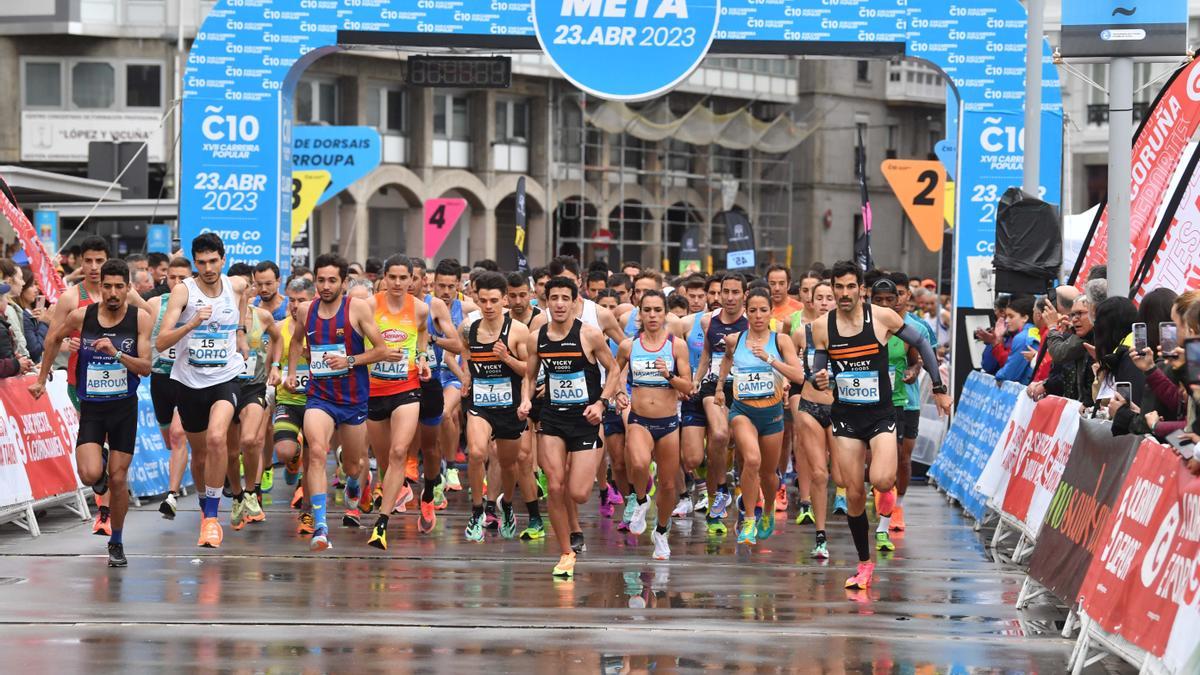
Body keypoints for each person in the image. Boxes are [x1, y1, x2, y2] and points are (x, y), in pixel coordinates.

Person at [810, 261, 950, 591]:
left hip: (881, 414)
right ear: (833, 289)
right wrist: (817, 376)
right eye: (838, 288)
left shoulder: (882, 317)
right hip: (846, 415)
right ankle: (864, 563)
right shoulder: (821, 326)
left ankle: (885, 495)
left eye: (850, 287)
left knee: (882, 478)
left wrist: (940, 389)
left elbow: (924, 345)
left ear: (861, 289)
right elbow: (817, 366)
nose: (844, 294)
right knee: (852, 489)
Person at [30, 259, 152, 567]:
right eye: (107, 286)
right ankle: (100, 463)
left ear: (127, 289)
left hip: (124, 407)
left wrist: (118, 353)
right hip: (93, 407)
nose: (112, 293)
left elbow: (147, 368)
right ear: (101, 288)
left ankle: (117, 541)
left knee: (119, 478)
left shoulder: (140, 320)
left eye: (118, 287)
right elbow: (52, 338)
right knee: (90, 474)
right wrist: (42, 378)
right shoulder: (82, 316)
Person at [287, 253, 395, 551]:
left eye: (332, 280)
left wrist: (349, 360)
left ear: (343, 282)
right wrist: (293, 372)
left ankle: (356, 482)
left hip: (353, 400)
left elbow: (382, 349)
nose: (325, 285)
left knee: (352, 464)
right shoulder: (306, 310)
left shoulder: (356, 309)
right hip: (320, 397)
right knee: (318, 453)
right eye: (320, 279)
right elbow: (297, 341)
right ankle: (321, 526)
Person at [519, 276, 625, 576]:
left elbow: (614, 368)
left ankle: (574, 526)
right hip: (552, 417)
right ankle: (566, 553)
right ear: (546, 301)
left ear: (575, 302)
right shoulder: (536, 337)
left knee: (577, 492)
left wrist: (601, 403)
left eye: (566, 298)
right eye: (554, 298)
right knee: (554, 484)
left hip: (585, 419)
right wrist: (526, 400)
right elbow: (529, 375)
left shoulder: (589, 334)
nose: (560, 304)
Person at [154, 233, 250, 549]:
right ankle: (204, 508)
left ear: (223, 259)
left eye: (213, 261)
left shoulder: (235, 286)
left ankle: (212, 518)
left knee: (217, 438)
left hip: (225, 377)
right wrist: (192, 323)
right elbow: (161, 341)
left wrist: (241, 333)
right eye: (202, 262)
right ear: (195, 262)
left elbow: (244, 300)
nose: (208, 267)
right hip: (188, 382)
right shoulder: (184, 291)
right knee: (199, 455)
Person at [714, 288, 805, 545]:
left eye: (763, 310)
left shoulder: (781, 341)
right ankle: (749, 520)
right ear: (746, 310)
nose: (757, 315)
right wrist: (721, 385)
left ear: (770, 312)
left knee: (768, 473)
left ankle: (767, 511)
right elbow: (727, 360)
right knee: (751, 460)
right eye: (752, 310)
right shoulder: (735, 339)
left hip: (772, 413)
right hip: (742, 411)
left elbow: (798, 376)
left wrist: (770, 360)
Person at [614, 289, 693, 559]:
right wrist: (618, 393)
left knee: (669, 485)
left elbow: (688, 385)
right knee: (637, 463)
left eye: (657, 310)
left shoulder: (676, 346)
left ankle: (660, 531)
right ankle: (640, 498)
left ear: (665, 313)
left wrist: (668, 374)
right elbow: (616, 372)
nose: (652, 315)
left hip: (669, 423)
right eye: (646, 310)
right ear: (639, 313)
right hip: (639, 419)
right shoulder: (629, 345)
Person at [365, 255, 432, 549]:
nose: (397, 283)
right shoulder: (368, 305)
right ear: (384, 278)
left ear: (412, 280)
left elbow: (421, 337)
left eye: (404, 278)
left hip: (407, 386)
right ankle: (394, 489)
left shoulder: (419, 309)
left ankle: (382, 523)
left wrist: (422, 359)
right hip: (373, 389)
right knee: (383, 459)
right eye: (392, 277)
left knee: (399, 451)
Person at [459, 271, 531, 542]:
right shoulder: (469, 327)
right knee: (476, 453)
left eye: (494, 301)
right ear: (477, 299)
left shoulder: (517, 331)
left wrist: (506, 358)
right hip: (480, 402)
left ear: (504, 301)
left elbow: (529, 371)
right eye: (483, 301)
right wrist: (467, 375)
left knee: (508, 463)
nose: (488, 307)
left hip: (510, 405)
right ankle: (477, 510)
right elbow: (464, 350)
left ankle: (507, 504)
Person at [224, 263, 281, 530]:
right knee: (231, 451)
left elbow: (279, 339)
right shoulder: (220, 316)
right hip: (225, 387)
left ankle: (250, 492)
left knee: (250, 439)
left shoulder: (263, 316)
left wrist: (276, 366)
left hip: (254, 387)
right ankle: (236, 496)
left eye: (245, 287)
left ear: (252, 288)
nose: (240, 292)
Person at [692, 273, 748, 534]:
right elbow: (706, 353)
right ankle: (720, 492)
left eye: (735, 292)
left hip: (744, 388)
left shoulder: (753, 323)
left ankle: (743, 494)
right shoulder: (708, 321)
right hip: (713, 386)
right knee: (719, 434)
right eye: (725, 291)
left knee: (743, 446)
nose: (728, 297)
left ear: (744, 295)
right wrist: (696, 380)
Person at [791, 280, 837, 558]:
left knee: (841, 475)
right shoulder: (801, 334)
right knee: (820, 473)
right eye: (818, 297)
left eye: (829, 297)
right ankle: (821, 537)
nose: (823, 302)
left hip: (841, 409)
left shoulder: (850, 334)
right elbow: (795, 373)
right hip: (810, 405)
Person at [146, 256, 194, 519]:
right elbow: (142, 334)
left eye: (183, 278)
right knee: (170, 439)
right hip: (160, 377)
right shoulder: (156, 304)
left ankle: (171, 495)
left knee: (178, 435)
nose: (177, 283)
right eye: (173, 278)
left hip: (188, 378)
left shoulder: (201, 305)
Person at [272, 277, 316, 533]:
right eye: (292, 299)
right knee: (285, 452)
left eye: (302, 300)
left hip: (316, 402)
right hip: (288, 399)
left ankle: (307, 512)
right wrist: (275, 372)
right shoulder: (278, 327)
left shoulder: (322, 327)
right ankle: (294, 457)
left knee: (313, 462)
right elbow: (270, 361)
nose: (296, 305)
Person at [15, 267, 47, 363]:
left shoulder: (30, 313)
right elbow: (35, 350)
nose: (36, 289)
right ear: (22, 289)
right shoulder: (23, 316)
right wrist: (44, 322)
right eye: (32, 285)